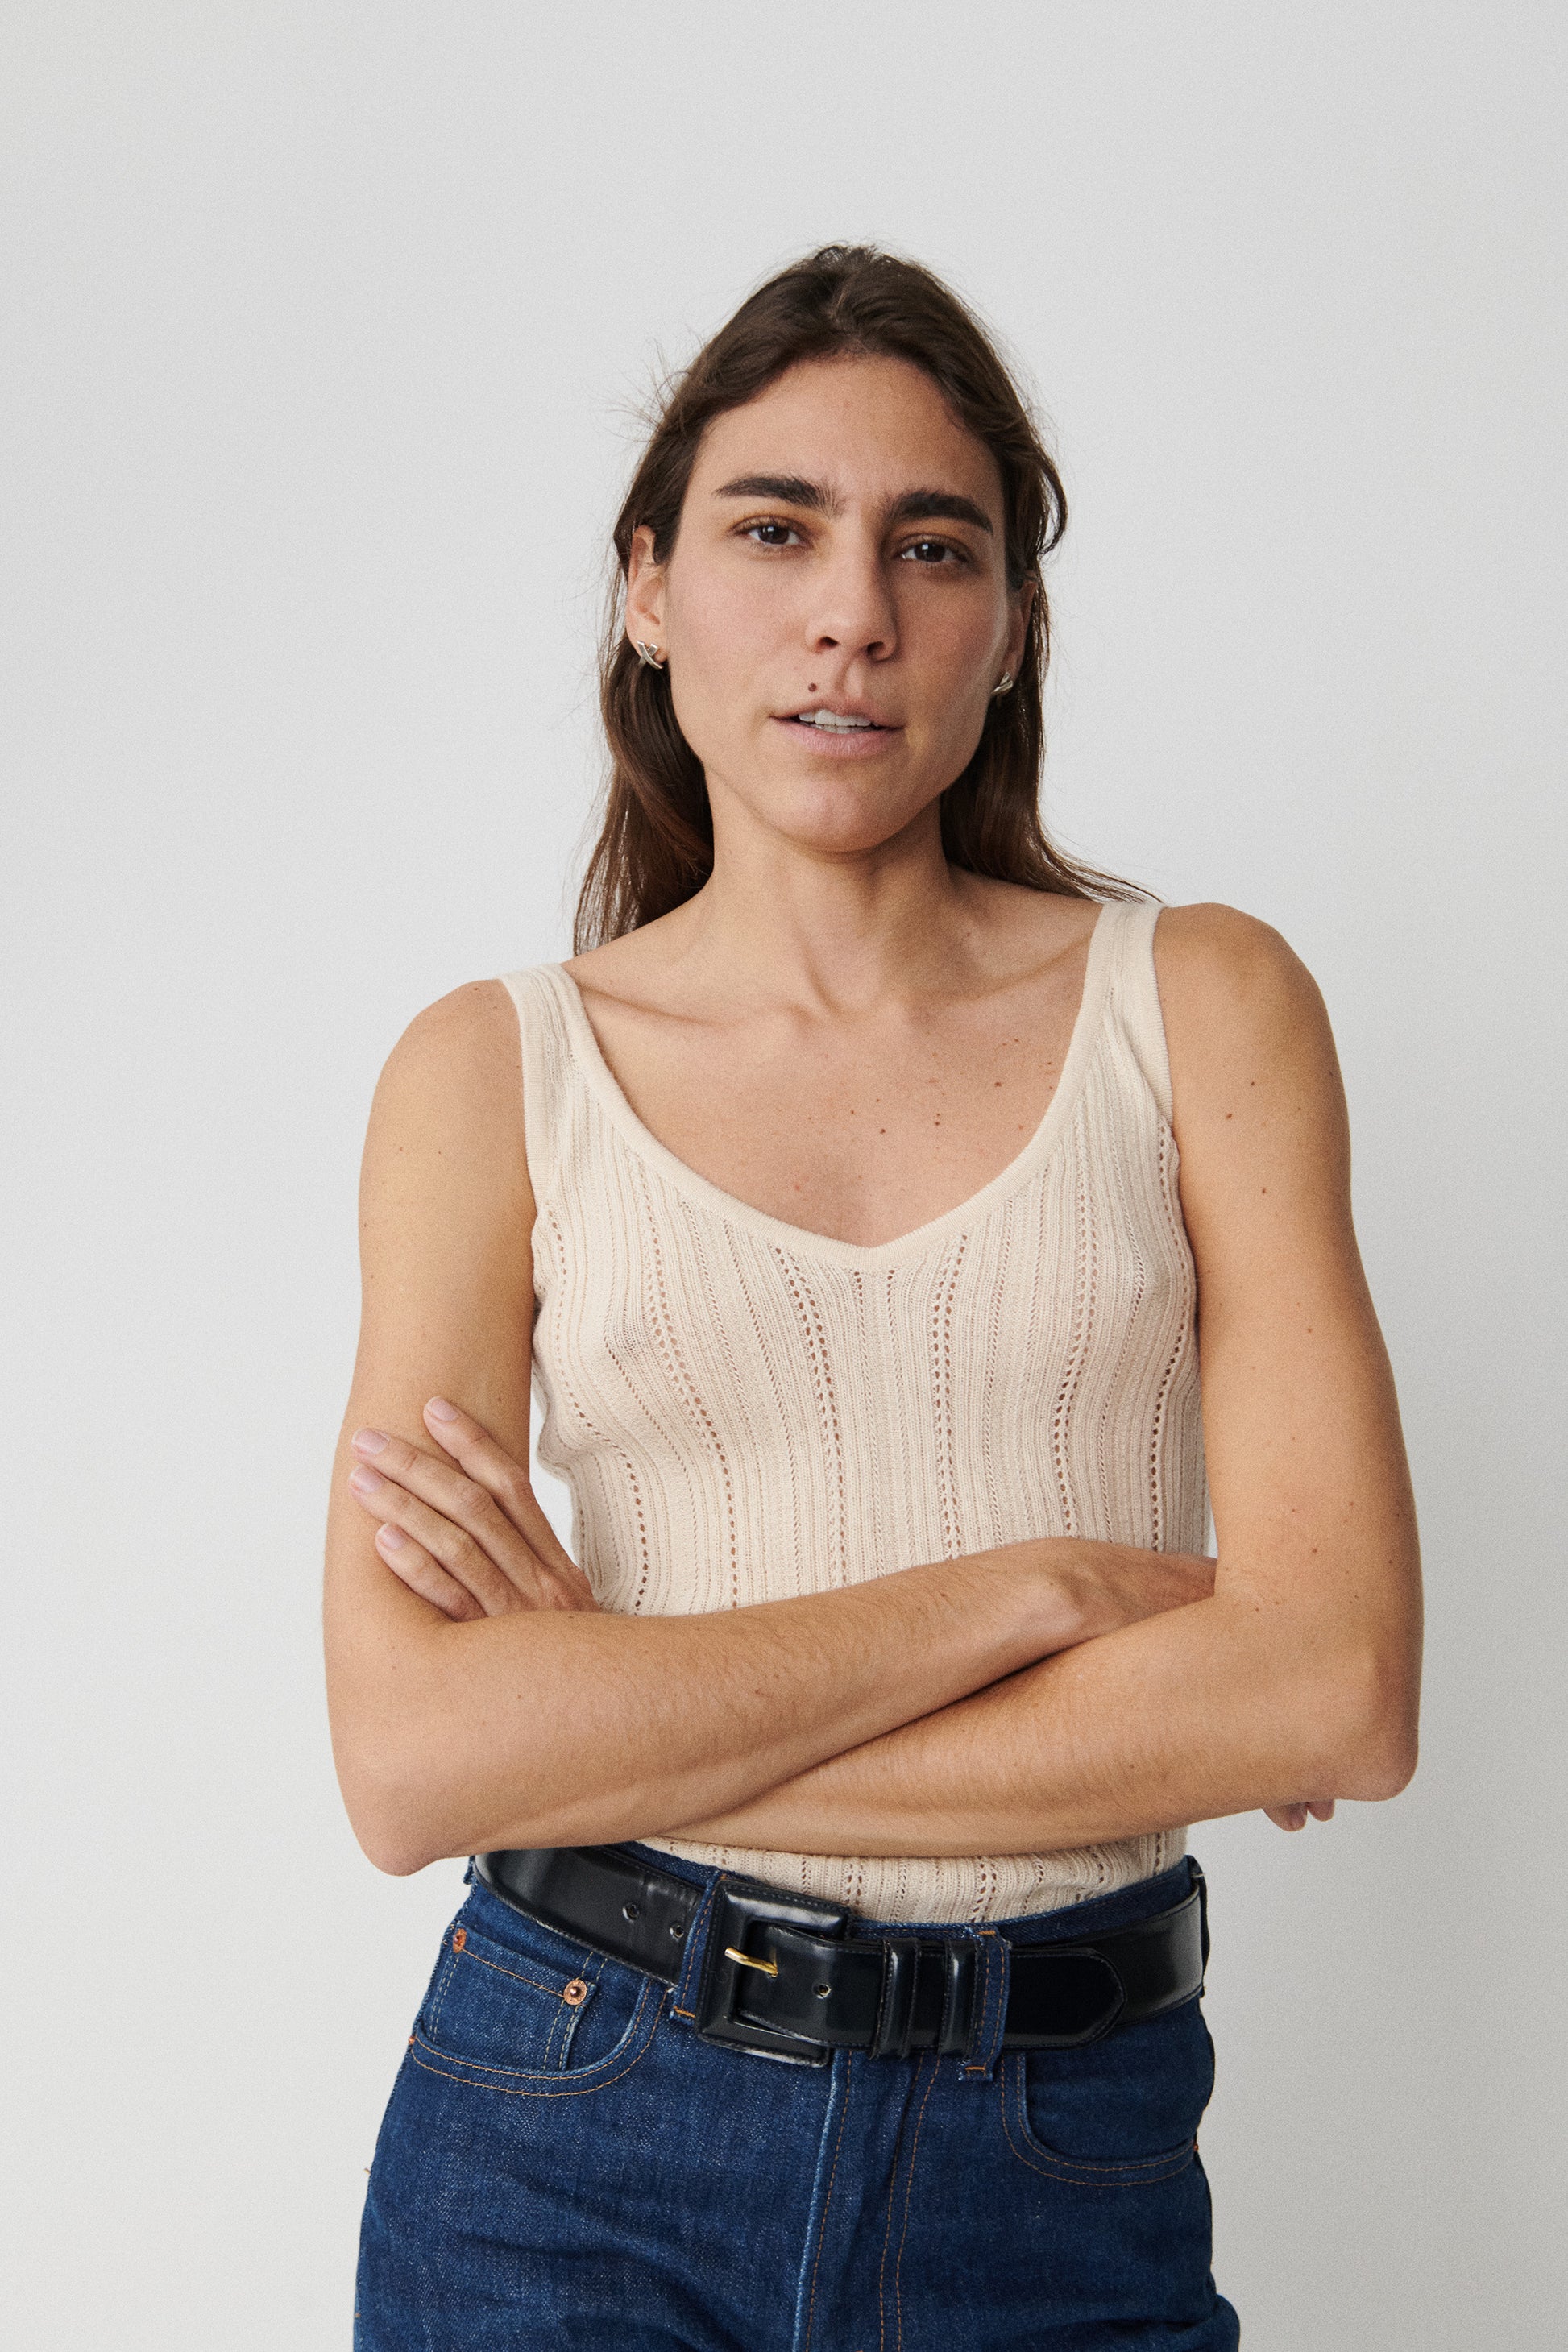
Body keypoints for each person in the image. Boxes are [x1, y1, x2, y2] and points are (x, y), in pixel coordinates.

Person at [325, 244, 1421, 2350]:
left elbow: (1330, 1693)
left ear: (1012, 627)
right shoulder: (492, 1073)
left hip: (1064, 2151)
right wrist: (1030, 1595)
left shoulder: (1201, 1007)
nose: (853, 613)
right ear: (649, 589)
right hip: (568, 2138)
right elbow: (411, 1759)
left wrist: (607, 1722)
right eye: (774, 530)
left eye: (935, 546)